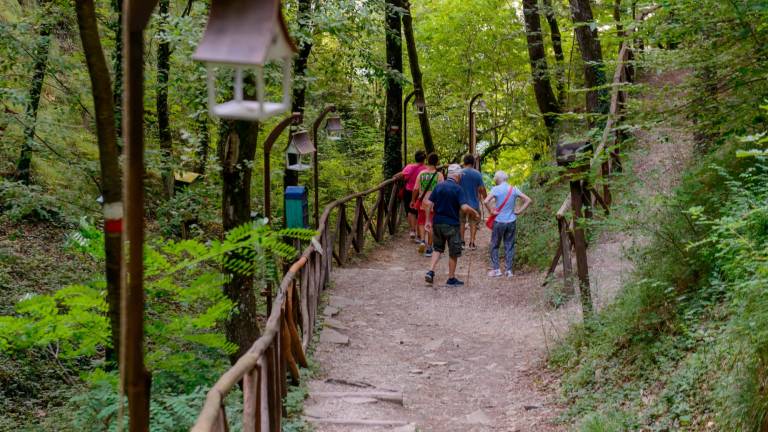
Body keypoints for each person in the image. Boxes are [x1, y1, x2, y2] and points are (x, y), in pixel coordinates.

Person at [423, 164, 480, 286]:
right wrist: (474, 212)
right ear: (457, 175)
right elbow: (464, 207)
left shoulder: (438, 186)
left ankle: (430, 271)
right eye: (460, 175)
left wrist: (428, 221)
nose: (460, 177)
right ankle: (451, 279)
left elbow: (428, 204)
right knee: (453, 252)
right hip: (452, 225)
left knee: (437, 249)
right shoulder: (458, 189)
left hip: (437, 222)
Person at [483, 170, 532, 278]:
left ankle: (496, 270)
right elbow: (528, 200)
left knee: (495, 245)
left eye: (495, 177)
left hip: (499, 221)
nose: (494, 179)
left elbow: (485, 201)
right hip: (511, 221)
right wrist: (519, 211)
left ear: (498, 179)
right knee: (509, 245)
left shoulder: (496, 189)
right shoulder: (513, 189)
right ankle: (509, 271)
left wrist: (491, 211)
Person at [411, 153, 443, 257]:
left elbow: (415, 189)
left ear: (427, 161)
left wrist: (412, 200)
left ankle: (422, 241)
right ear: (437, 162)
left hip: (422, 203)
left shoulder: (421, 174)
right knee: (431, 224)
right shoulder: (439, 175)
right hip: (434, 204)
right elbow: (441, 190)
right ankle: (429, 248)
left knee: (421, 222)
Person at [459, 154, 487, 250]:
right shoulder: (477, 174)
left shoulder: (459, 173)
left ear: (464, 162)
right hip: (474, 203)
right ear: (473, 162)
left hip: (461, 203)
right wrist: (485, 198)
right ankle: (472, 243)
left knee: (461, 221)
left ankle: (461, 242)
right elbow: (481, 188)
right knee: (473, 222)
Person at [401, 150, 427, 242]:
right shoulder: (426, 169)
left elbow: (401, 175)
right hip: (421, 192)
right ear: (424, 159)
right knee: (419, 211)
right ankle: (420, 234)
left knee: (410, 211)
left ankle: (412, 230)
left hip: (409, 191)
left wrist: (394, 177)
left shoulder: (409, 167)